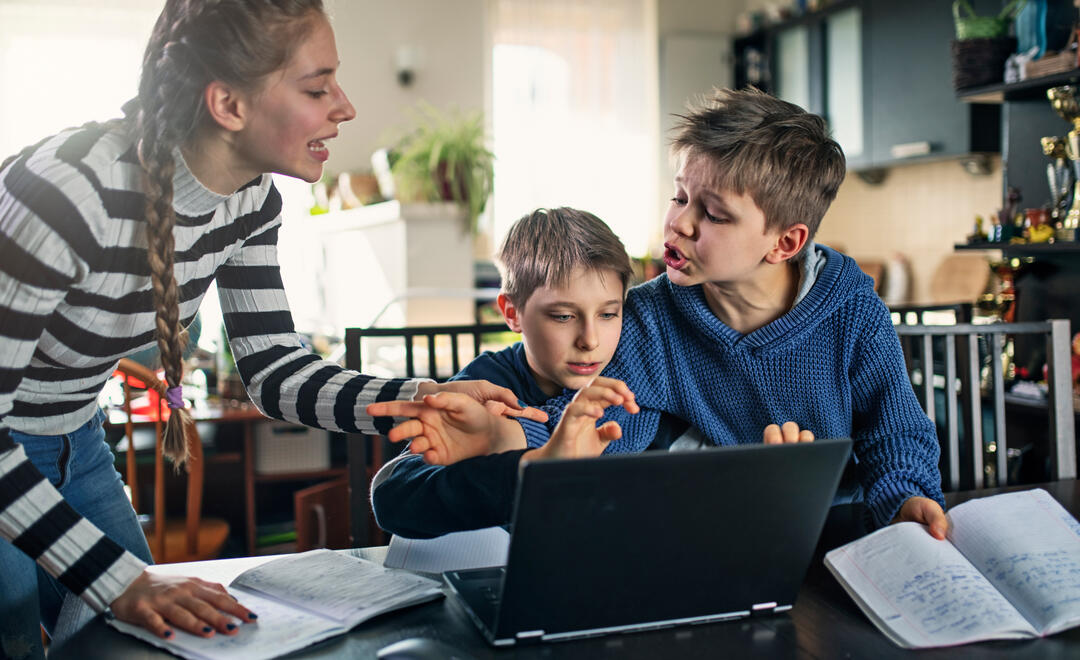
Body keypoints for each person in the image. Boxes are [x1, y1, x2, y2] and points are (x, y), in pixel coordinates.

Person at [0, 1, 540, 655]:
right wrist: (122, 582)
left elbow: (276, 371)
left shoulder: (252, 201)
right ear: (228, 104)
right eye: (318, 87)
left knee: (132, 643)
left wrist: (414, 400)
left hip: (75, 443)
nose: (345, 107)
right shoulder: (63, 194)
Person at [370, 87, 947, 542]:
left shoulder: (850, 308)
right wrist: (505, 433)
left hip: (841, 536)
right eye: (679, 197)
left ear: (786, 242)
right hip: (736, 539)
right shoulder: (649, 318)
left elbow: (893, 428)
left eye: (714, 214)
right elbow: (604, 427)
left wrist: (905, 501)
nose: (680, 224)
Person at [370, 206, 813, 538]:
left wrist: (772, 483)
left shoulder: (639, 380)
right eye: (563, 317)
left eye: (608, 314)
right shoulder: (488, 389)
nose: (590, 340)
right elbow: (395, 497)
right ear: (512, 312)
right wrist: (531, 465)